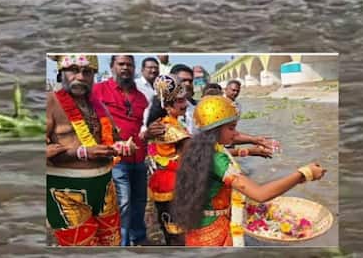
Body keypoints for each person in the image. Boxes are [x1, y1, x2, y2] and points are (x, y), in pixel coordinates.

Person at [170, 96, 327, 246]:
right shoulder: (217, 159)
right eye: (231, 128)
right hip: (213, 232)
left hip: (199, 224)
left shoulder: (201, 148)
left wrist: (249, 151)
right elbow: (260, 194)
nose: (236, 133)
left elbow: (221, 157)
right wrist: (304, 173)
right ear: (215, 130)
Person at [46, 54, 136, 246]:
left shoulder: (97, 104)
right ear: (61, 73)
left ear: (93, 75)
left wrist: (121, 147)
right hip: (67, 193)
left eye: (87, 72)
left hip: (104, 189)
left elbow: (112, 139)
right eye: (73, 70)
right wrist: (82, 153)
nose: (80, 76)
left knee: (111, 243)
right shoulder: (50, 102)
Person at [92, 55, 149, 246]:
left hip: (139, 158)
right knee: (122, 204)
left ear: (134, 69)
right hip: (114, 160)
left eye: (129, 65)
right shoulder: (98, 91)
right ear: (112, 67)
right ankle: (120, 245)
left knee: (139, 202)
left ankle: (139, 239)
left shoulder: (141, 97)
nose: (126, 68)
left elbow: (146, 125)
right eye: (121, 64)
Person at [143, 75, 192, 245]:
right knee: (177, 232)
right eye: (180, 101)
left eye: (185, 99)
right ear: (168, 106)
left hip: (166, 181)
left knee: (170, 227)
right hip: (172, 185)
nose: (185, 104)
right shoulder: (168, 127)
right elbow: (196, 152)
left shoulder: (169, 123)